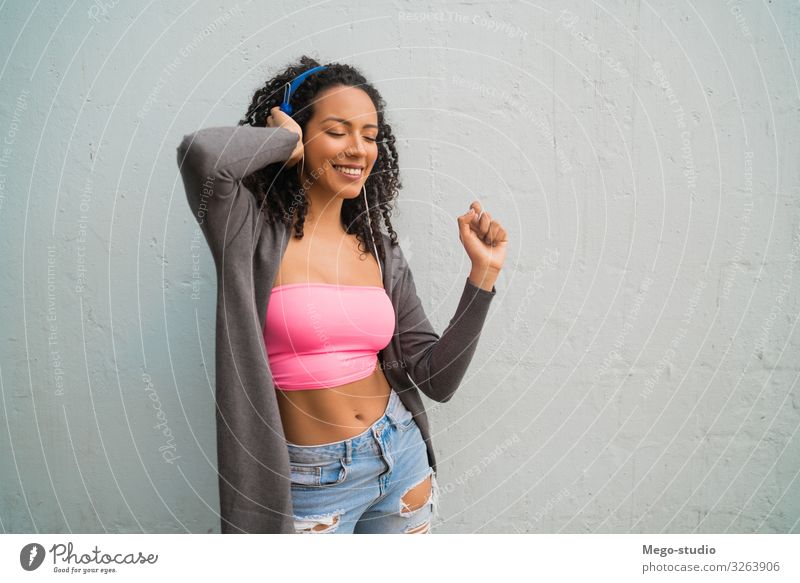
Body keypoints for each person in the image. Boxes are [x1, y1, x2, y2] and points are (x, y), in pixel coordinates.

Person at [176, 56, 508, 534]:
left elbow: (437, 380)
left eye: (370, 136)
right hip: (310, 481)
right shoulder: (247, 233)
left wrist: (483, 273)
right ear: (299, 134)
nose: (358, 149)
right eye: (337, 131)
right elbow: (201, 155)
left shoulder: (378, 248)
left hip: (400, 459)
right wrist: (283, 141)